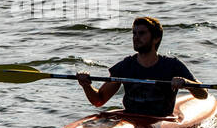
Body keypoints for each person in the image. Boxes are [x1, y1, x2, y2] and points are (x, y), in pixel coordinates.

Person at [76, 16, 207, 115]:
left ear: (156, 39)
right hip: (132, 120)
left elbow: (203, 94)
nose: (136, 37)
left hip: (161, 120)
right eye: (134, 33)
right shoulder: (126, 66)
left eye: (142, 33)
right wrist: (86, 86)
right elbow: (99, 100)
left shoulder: (172, 65)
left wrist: (186, 83)